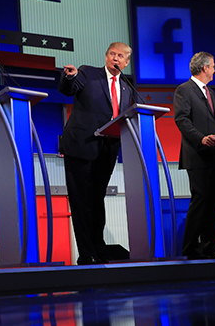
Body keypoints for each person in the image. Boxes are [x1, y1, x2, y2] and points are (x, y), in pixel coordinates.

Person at [59, 42, 135, 265]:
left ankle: (98, 247)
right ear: (106, 56)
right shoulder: (87, 73)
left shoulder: (127, 88)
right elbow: (67, 89)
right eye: (112, 54)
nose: (115, 58)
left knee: (97, 200)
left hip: (108, 149)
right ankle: (86, 253)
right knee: (81, 200)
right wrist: (69, 77)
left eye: (120, 56)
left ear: (126, 62)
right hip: (81, 146)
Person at [174, 52, 215, 260]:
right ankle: (190, 248)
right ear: (204, 68)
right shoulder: (184, 90)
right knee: (201, 200)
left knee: (214, 202)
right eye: (213, 65)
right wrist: (201, 138)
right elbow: (181, 120)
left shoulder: (210, 92)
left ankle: (208, 246)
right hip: (197, 154)